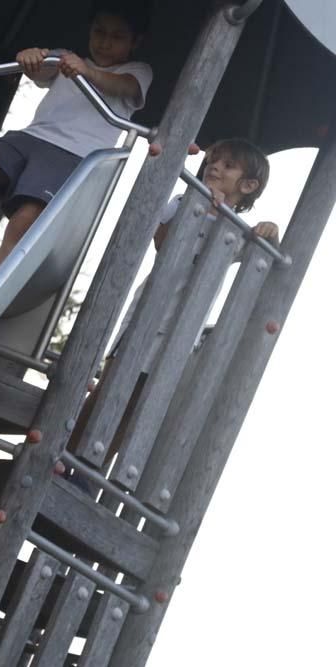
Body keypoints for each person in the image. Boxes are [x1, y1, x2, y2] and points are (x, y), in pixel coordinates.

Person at [69, 138, 278, 482]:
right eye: (214, 160)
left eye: (228, 166)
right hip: (146, 319)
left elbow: (264, 256)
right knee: (109, 391)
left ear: (248, 186)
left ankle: (91, 476)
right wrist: (200, 206)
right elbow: (162, 243)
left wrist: (271, 232)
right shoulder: (184, 200)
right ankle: (66, 457)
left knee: (137, 408)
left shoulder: (236, 232)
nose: (215, 166)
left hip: (180, 333)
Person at [0, 0, 153, 292]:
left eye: (117, 37)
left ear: (135, 42)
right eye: (99, 32)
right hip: (29, 140)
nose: (104, 42)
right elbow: (38, 68)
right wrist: (30, 58)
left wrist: (87, 73)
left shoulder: (138, 71)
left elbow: (124, 86)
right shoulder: (67, 59)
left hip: (72, 156)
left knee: (25, 220)